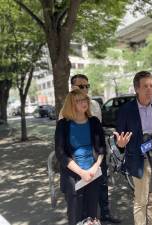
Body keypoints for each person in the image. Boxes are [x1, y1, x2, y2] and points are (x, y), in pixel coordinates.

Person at [59, 74, 121, 223]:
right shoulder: (65, 113)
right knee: (80, 199)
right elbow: (63, 147)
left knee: (102, 186)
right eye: (81, 86)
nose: (85, 89)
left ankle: (105, 215)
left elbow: (97, 129)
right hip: (78, 163)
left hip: (97, 156)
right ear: (72, 88)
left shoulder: (94, 105)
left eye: (87, 86)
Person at [114, 71, 152, 225]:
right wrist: (120, 146)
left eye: (151, 86)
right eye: (145, 86)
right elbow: (120, 141)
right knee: (141, 200)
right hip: (138, 160)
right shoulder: (126, 110)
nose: (150, 89)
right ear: (137, 89)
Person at [55, 89, 105, 225]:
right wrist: (82, 172)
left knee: (92, 216)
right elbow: (60, 153)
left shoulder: (94, 122)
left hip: (93, 174)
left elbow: (101, 148)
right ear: (71, 104)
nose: (84, 103)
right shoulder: (63, 125)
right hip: (73, 177)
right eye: (79, 100)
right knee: (76, 216)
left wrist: (94, 168)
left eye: (85, 100)